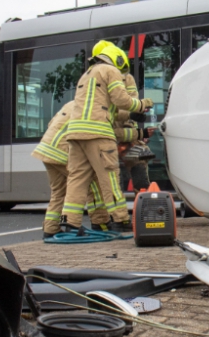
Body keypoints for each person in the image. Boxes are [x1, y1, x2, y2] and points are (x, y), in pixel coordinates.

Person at [61, 41, 151, 233]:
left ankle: (69, 222)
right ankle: (120, 220)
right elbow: (121, 100)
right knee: (109, 176)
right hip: (99, 132)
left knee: (77, 179)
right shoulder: (111, 71)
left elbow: (108, 108)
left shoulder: (86, 75)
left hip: (75, 133)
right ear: (117, 59)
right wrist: (141, 105)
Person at [32, 101, 119, 239]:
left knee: (59, 192)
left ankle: (50, 228)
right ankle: (99, 223)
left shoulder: (73, 103)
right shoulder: (97, 108)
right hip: (64, 151)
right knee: (92, 184)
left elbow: (52, 124)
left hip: (47, 149)